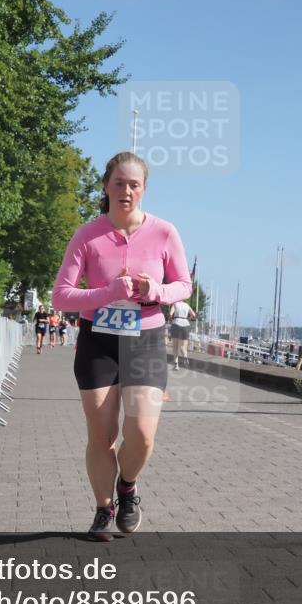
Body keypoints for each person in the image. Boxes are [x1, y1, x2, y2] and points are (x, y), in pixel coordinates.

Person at [51, 151, 191, 541]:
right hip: (98, 341)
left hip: (146, 339)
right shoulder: (87, 235)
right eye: (119, 183)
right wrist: (109, 292)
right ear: (106, 186)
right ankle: (103, 509)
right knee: (102, 435)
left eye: (134, 184)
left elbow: (184, 285)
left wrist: (157, 291)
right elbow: (60, 296)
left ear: (144, 189)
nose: (126, 191)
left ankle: (127, 487)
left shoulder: (164, 232)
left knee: (142, 432)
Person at [167, 299, 196, 371]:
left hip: (176, 323)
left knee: (175, 346)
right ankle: (185, 356)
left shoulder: (175, 304)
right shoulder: (187, 305)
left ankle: (176, 365)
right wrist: (188, 318)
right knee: (183, 347)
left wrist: (171, 319)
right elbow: (194, 315)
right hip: (186, 324)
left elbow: (170, 314)